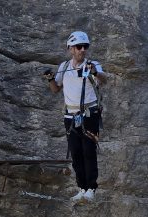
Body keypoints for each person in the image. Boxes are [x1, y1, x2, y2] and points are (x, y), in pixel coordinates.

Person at [44, 31, 108, 202]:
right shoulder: (64, 67)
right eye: (79, 47)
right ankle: (81, 188)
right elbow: (56, 89)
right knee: (76, 153)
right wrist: (50, 78)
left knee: (89, 151)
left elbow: (104, 79)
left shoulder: (92, 65)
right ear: (71, 48)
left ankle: (91, 189)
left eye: (85, 46)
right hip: (70, 115)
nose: (82, 50)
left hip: (89, 113)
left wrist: (94, 72)